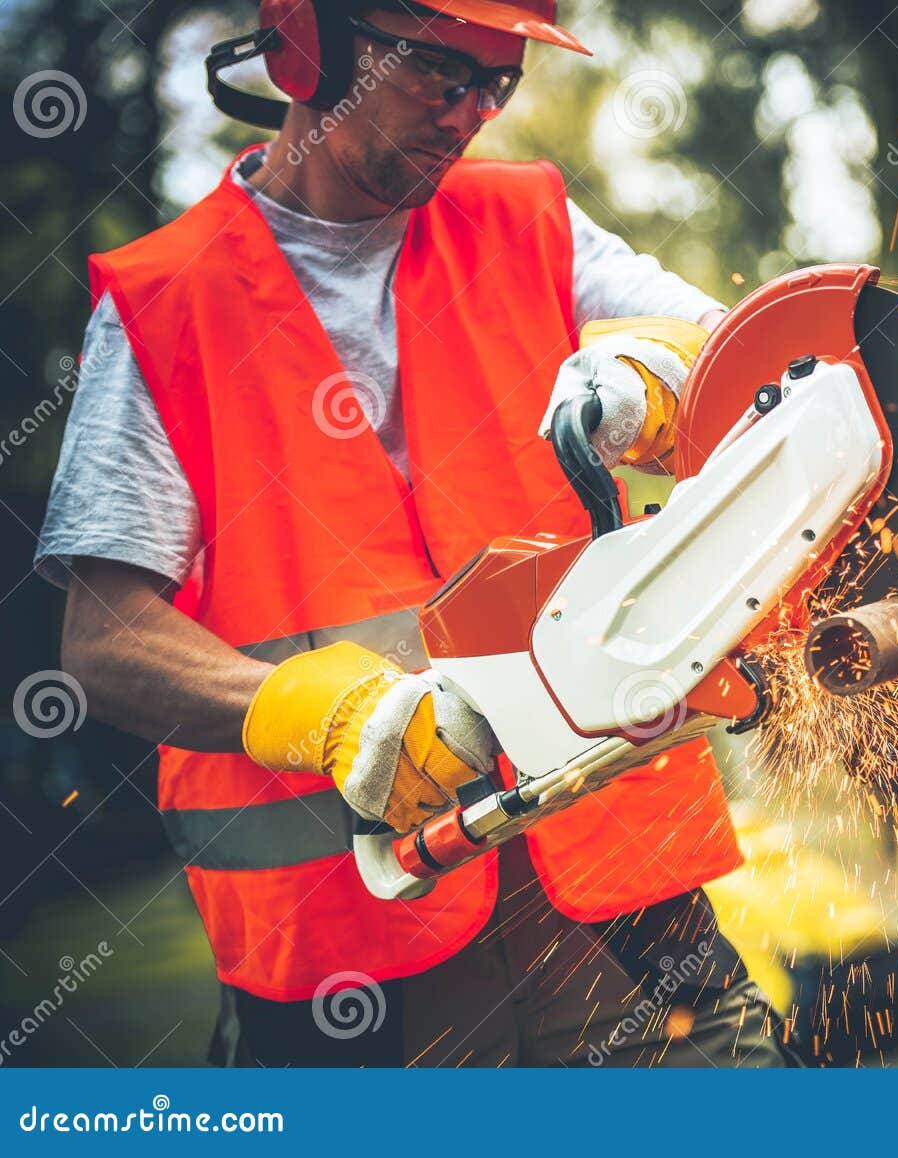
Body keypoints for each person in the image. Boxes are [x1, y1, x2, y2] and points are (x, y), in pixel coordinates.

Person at [35, 0, 788, 1068]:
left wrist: (658, 375)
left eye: (499, 84)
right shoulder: (169, 301)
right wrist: (327, 716)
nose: (471, 113)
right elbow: (104, 642)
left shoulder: (529, 221)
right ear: (307, 45)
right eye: (441, 74)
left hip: (618, 904)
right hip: (355, 961)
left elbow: (756, 360)